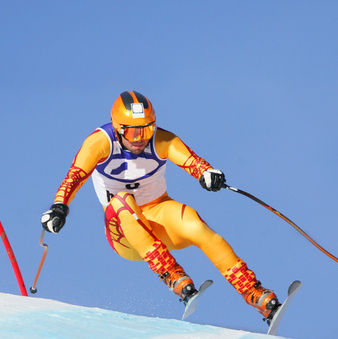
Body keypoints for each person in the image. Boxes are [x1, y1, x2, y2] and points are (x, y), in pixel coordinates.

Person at [41, 91, 282, 324]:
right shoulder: (99, 143)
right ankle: (174, 277)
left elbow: (192, 162)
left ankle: (255, 294)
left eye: (146, 129)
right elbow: (74, 177)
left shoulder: (162, 140)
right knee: (122, 200)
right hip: (127, 236)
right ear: (118, 128)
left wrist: (207, 174)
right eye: (134, 132)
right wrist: (59, 207)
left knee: (195, 224)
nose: (140, 139)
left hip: (158, 218)